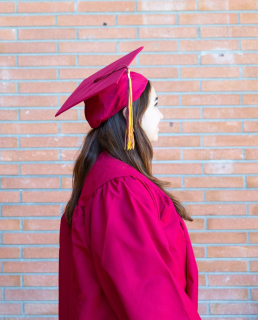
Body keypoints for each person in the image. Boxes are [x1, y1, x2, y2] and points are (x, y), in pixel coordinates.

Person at [56, 47, 200, 320]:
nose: (161, 116)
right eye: (155, 105)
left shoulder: (108, 179)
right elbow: (146, 292)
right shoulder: (119, 188)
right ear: (128, 114)